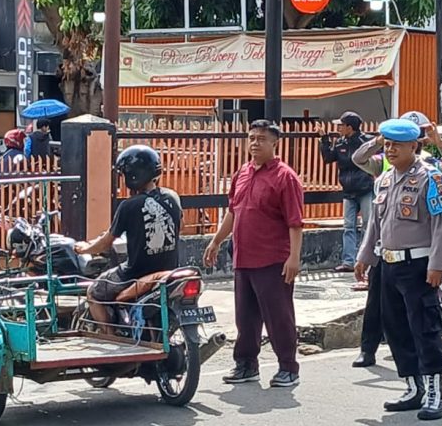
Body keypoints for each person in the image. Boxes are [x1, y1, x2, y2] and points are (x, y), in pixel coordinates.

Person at [354, 118, 442, 421]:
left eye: (397, 144)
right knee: (395, 327)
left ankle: (436, 392)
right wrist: (365, 257)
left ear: (415, 146)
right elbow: (375, 223)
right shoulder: (383, 179)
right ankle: (413, 386)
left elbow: (441, 224)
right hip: (388, 263)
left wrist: (438, 264)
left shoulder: (431, 177)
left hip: (419, 265)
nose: (391, 149)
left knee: (424, 328)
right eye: (387, 143)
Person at [204, 120, 304, 388]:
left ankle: (288, 367)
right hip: (243, 257)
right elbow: (233, 211)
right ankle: (246, 364)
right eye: (252, 138)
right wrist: (216, 240)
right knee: (245, 317)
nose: (255, 143)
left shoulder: (285, 177)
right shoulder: (243, 173)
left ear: (275, 143)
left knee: (278, 315)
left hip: (273, 259)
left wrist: (294, 258)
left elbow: (295, 222)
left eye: (262, 138)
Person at [76, 145, 182, 334]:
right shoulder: (173, 197)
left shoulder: (129, 206)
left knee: (93, 292)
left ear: (132, 176)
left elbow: (107, 242)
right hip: (170, 270)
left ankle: (110, 336)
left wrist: (85, 249)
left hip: (135, 273)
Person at [319, 111, 376, 274]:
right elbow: (328, 158)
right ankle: (348, 261)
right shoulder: (340, 142)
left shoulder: (367, 141)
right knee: (348, 226)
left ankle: (366, 261)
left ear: (349, 127)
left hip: (365, 188)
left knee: (367, 225)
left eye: (341, 125)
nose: (338, 128)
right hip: (348, 190)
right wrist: (324, 140)